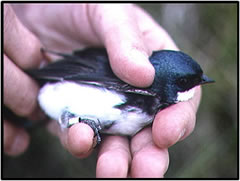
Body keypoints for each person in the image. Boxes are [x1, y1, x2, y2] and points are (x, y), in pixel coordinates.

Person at [3, 4, 202, 178]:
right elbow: (80, 70)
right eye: (186, 82)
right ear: (168, 84)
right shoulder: (141, 83)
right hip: (56, 87)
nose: (198, 85)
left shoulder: (154, 106)